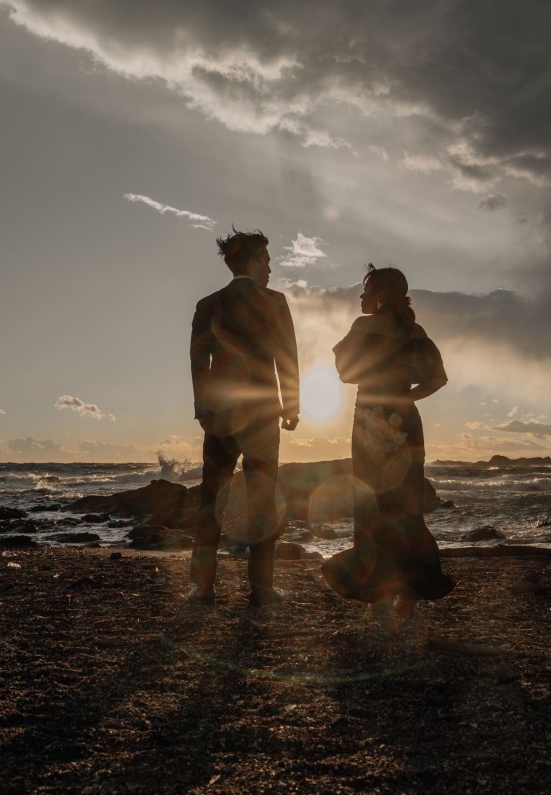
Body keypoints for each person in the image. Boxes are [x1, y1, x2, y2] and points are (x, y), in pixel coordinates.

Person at [321, 264, 455, 614]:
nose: (361, 297)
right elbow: (437, 378)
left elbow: (345, 372)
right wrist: (405, 397)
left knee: (370, 504)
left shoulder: (364, 326)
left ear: (379, 296)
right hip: (403, 420)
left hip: (369, 418)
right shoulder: (414, 330)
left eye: (365, 291)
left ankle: (377, 592)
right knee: (406, 506)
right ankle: (408, 595)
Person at [188, 229, 300, 607]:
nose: (270, 269)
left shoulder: (209, 304)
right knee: (263, 501)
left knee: (210, 500)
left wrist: (201, 408)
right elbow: (287, 355)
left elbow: (198, 361)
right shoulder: (275, 301)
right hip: (264, 413)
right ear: (252, 261)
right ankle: (262, 589)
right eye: (267, 261)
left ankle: (203, 587)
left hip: (219, 413)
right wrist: (292, 405)